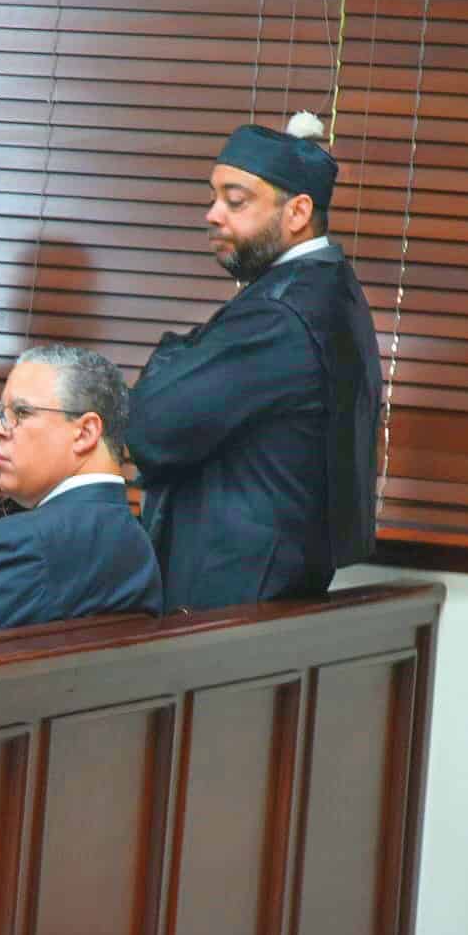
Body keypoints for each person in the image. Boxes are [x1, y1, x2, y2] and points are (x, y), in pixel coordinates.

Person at [126, 113, 381, 610]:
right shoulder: (330, 289)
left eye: (236, 200)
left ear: (298, 211)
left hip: (229, 601)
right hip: (271, 593)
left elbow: (150, 425)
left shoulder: (277, 315)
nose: (212, 214)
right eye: (213, 197)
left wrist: (175, 353)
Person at [0, 345, 161, 625]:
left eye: (21, 412)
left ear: (85, 433)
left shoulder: (20, 545)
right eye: (0, 414)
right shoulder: (137, 541)